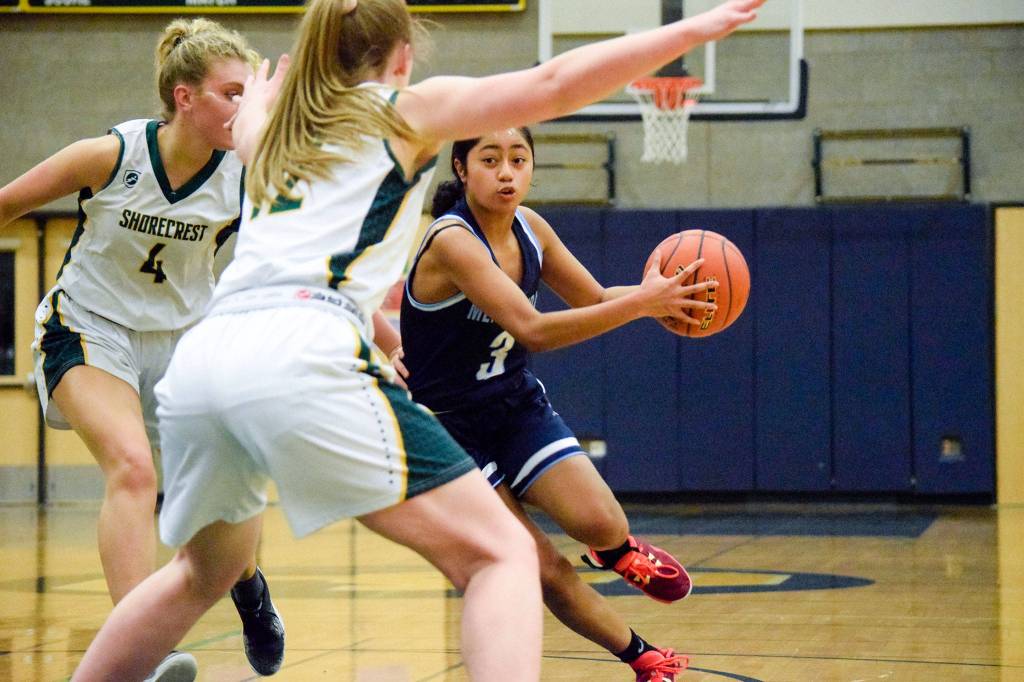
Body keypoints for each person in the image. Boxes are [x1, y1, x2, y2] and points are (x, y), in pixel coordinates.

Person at [69, 0, 764, 679]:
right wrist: (695, 28)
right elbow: (554, 84)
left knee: (202, 570)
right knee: (502, 557)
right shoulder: (402, 113)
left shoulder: (277, 129)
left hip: (205, 358)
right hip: (301, 347)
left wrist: (258, 103)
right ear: (402, 56)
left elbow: (251, 121)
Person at [0, 18, 286, 680]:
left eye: (251, 95)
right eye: (230, 93)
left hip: (185, 339)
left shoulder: (245, 176)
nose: (244, 109)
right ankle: (142, 654)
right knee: (132, 468)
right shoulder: (112, 155)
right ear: (185, 97)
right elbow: (8, 202)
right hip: (90, 326)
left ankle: (248, 582)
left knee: (222, 497)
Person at [395, 127, 708, 682]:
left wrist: (663, 299)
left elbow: (591, 298)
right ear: (462, 170)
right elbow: (534, 329)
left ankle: (615, 552)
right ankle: (644, 658)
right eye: (490, 160)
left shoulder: (533, 228)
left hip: (513, 404)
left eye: (519, 158)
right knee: (538, 564)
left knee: (601, 521)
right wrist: (640, 304)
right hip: (448, 431)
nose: (507, 172)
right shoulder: (453, 240)